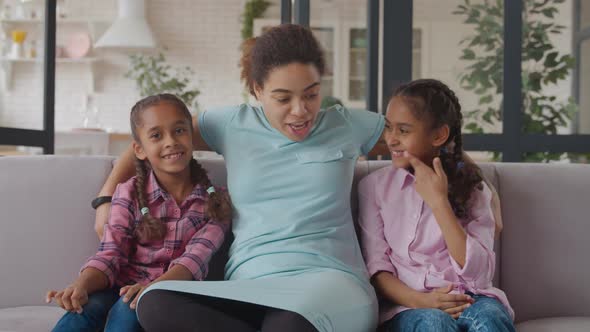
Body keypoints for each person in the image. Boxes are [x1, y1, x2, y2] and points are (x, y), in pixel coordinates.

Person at [47, 94, 231, 332]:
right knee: (80, 312)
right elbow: (110, 253)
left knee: (127, 312)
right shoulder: (128, 192)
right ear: (139, 150)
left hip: (170, 292)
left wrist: (151, 289)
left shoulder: (216, 201)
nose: (171, 141)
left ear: (191, 138)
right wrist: (80, 285)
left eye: (179, 131)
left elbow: (193, 262)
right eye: (156, 135)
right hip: (118, 285)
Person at [358, 79, 515, 332]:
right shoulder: (373, 188)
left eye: (404, 130)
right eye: (389, 128)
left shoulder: (473, 188)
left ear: (439, 135)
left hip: (472, 296)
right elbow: (377, 270)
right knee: (434, 323)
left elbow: (478, 275)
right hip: (410, 305)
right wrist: (422, 301)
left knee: (489, 319)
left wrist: (439, 203)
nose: (391, 139)